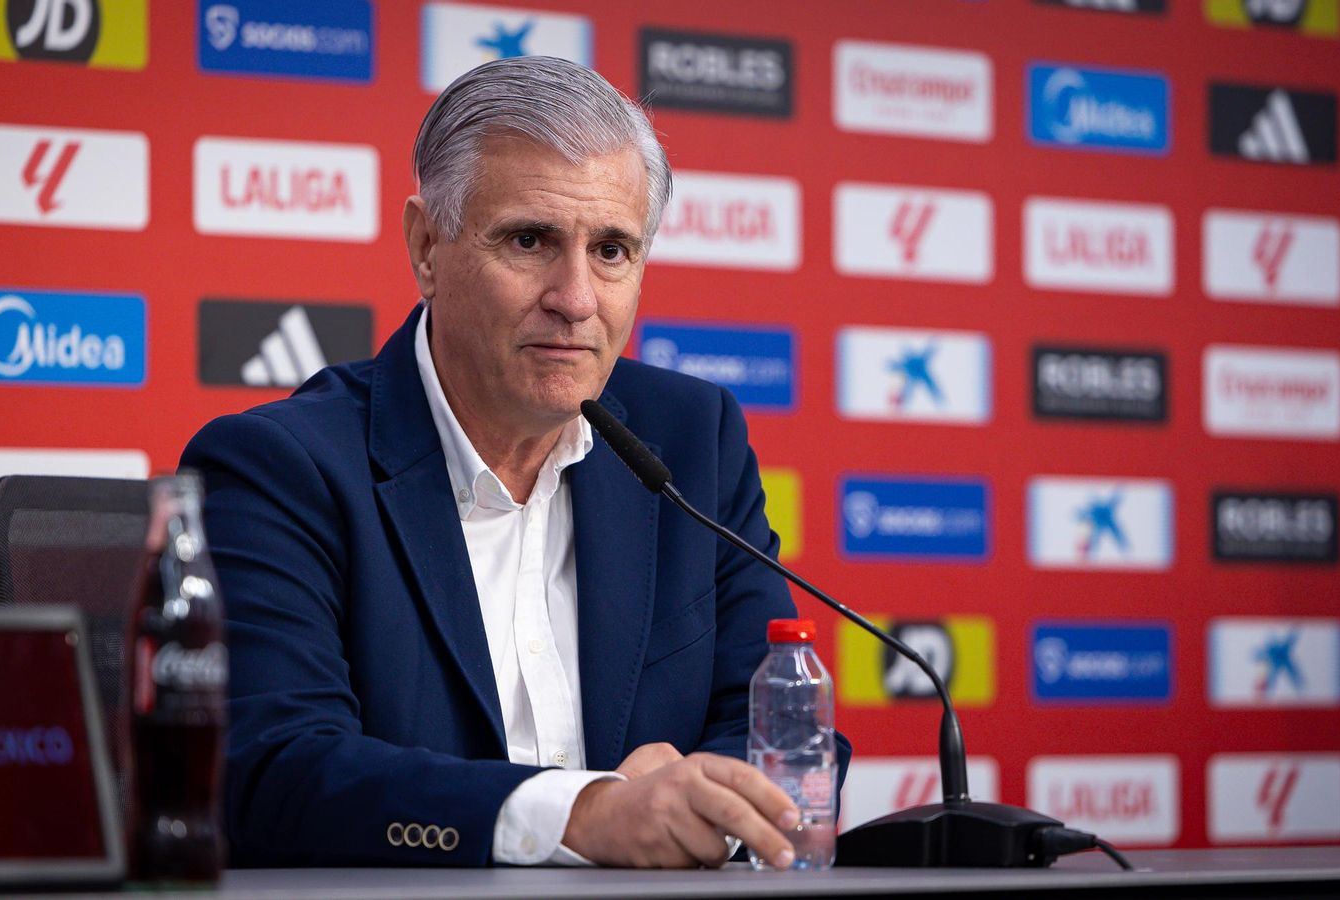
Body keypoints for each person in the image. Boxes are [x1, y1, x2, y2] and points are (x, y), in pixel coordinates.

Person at [180, 55, 851, 869]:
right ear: (427, 247)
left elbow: (777, 724)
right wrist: (582, 813)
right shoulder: (279, 468)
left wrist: (709, 802)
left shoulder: (689, 440)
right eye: (530, 240)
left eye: (612, 250)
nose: (575, 297)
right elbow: (274, 770)